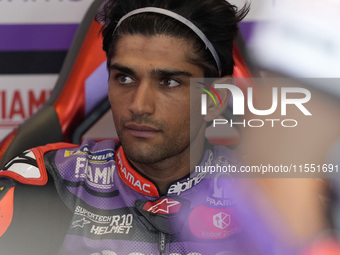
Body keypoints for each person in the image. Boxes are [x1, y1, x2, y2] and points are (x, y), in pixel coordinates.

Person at [0, 0, 250, 254]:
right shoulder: (49, 180)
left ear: (214, 100)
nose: (139, 105)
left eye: (169, 82)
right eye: (125, 78)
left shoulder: (267, 195)